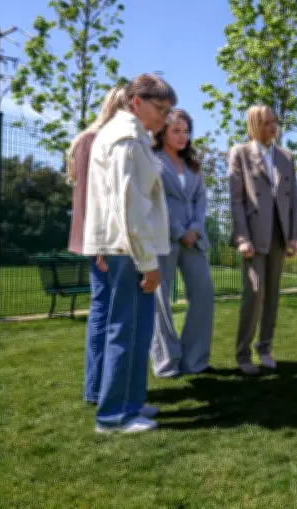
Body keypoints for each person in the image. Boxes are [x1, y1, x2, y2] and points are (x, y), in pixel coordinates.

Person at [82, 73, 177, 433]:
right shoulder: (126, 138)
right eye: (160, 109)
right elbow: (129, 207)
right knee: (129, 329)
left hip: (122, 247)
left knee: (134, 329)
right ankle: (114, 416)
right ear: (136, 102)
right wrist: (148, 263)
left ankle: (129, 402)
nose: (165, 119)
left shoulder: (131, 136)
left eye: (169, 111)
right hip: (130, 250)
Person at [66, 85, 127, 406]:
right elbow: (95, 198)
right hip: (105, 242)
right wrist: (101, 244)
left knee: (105, 309)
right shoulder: (97, 141)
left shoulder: (88, 140)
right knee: (107, 312)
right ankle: (100, 389)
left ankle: (101, 388)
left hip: (101, 240)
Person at [229, 105, 297, 376]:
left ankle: (265, 348)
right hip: (254, 236)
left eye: (274, 121)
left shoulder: (286, 156)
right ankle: (243, 353)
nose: (273, 126)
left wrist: (294, 236)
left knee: (272, 295)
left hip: (280, 235)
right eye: (267, 122)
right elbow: (236, 200)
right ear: (255, 124)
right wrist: (242, 237)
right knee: (254, 293)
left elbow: (292, 200)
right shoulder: (241, 153)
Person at [149, 109, 216, 378]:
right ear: (162, 132)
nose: (182, 136)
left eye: (186, 131)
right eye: (176, 130)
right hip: (164, 239)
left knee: (204, 295)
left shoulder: (194, 166)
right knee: (160, 302)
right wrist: (179, 231)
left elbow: (201, 200)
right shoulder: (152, 161)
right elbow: (156, 201)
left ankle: (195, 361)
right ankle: (167, 362)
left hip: (195, 241)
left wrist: (195, 229)